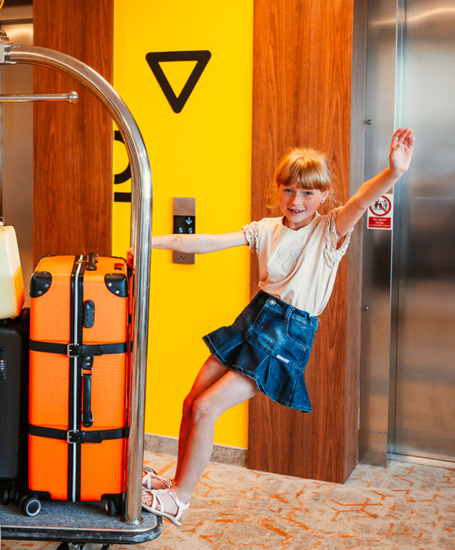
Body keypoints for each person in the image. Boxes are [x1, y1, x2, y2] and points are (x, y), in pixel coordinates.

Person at [131, 128, 415, 526]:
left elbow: (361, 200)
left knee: (208, 408)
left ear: (323, 196)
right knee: (192, 401)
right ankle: (176, 481)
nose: (296, 201)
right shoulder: (266, 228)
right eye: (289, 190)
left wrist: (394, 172)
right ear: (278, 190)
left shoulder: (331, 230)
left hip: (288, 334)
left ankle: (180, 499)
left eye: (308, 193)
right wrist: (150, 242)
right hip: (255, 318)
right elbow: (209, 242)